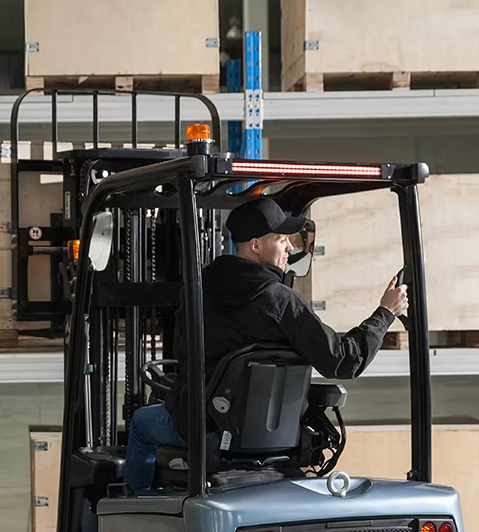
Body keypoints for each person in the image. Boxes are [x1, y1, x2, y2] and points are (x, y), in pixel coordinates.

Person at [123, 197, 408, 491]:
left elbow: (183, 353)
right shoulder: (280, 301)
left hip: (205, 429)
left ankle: (134, 503)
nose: (290, 247)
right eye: (282, 239)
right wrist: (385, 315)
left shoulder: (198, 289)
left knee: (141, 424)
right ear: (256, 245)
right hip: (276, 436)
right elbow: (344, 360)